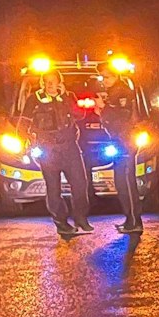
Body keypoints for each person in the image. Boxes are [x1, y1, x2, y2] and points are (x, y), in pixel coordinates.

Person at [22, 76, 92, 239]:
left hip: (70, 148)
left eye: (55, 82)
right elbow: (24, 122)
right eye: (48, 82)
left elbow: (80, 115)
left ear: (61, 83)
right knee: (53, 189)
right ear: (42, 84)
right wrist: (28, 142)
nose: (51, 86)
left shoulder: (68, 97)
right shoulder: (35, 99)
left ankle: (81, 218)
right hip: (48, 150)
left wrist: (64, 98)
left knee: (80, 184)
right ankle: (61, 223)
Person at [96, 78, 146, 235]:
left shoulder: (122, 92)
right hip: (120, 141)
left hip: (125, 141)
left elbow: (122, 118)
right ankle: (130, 219)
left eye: (107, 76)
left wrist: (104, 108)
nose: (104, 80)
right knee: (121, 183)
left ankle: (135, 221)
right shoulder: (113, 93)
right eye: (102, 77)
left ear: (115, 76)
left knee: (126, 183)